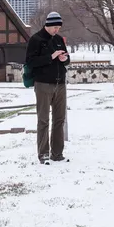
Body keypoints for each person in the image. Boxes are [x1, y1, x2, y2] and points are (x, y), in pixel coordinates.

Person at [25, 11, 70, 165]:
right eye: (55, 27)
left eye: (59, 27)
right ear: (48, 25)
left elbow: (66, 60)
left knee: (59, 119)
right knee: (43, 120)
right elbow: (30, 62)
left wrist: (64, 59)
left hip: (60, 84)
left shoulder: (59, 40)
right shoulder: (36, 39)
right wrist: (51, 56)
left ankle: (57, 153)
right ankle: (43, 153)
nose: (57, 30)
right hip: (43, 84)